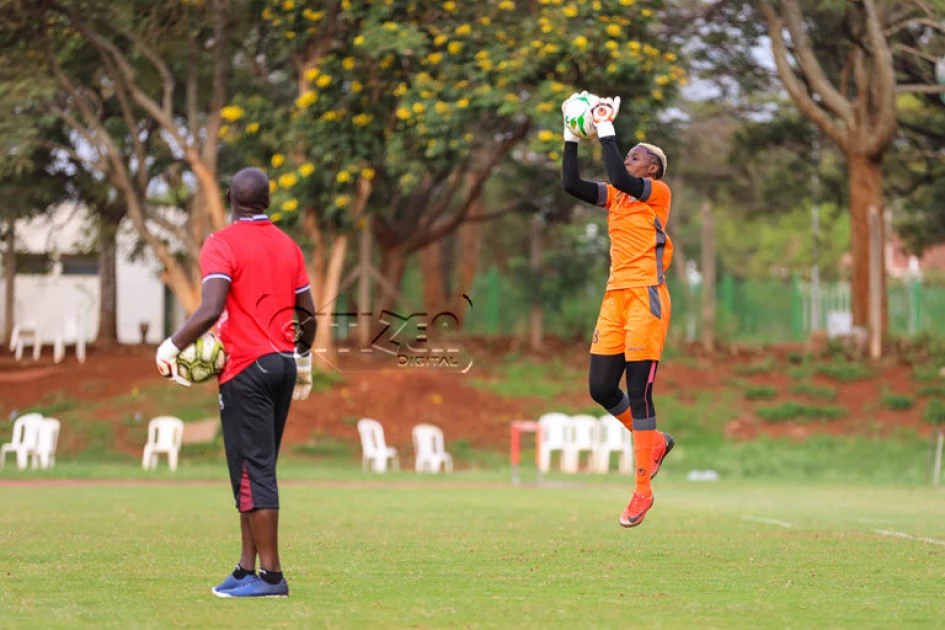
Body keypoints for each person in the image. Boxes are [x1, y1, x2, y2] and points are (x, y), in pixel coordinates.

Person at [155, 167, 317, 597]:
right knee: (249, 470)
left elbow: (210, 309)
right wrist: (303, 358)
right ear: (267, 200)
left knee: (254, 470)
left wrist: (171, 347)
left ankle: (272, 578)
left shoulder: (221, 243)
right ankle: (246, 569)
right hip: (281, 365)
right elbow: (309, 315)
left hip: (247, 367)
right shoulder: (288, 245)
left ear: (231, 198)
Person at [561, 92, 674, 528]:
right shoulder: (617, 197)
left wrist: (605, 128)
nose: (627, 161)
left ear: (653, 169)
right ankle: (656, 443)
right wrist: (571, 135)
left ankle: (642, 490)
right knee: (601, 388)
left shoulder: (656, 193)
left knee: (640, 391)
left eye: (636, 157)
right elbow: (572, 185)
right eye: (626, 155)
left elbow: (620, 178)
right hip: (615, 298)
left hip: (646, 296)